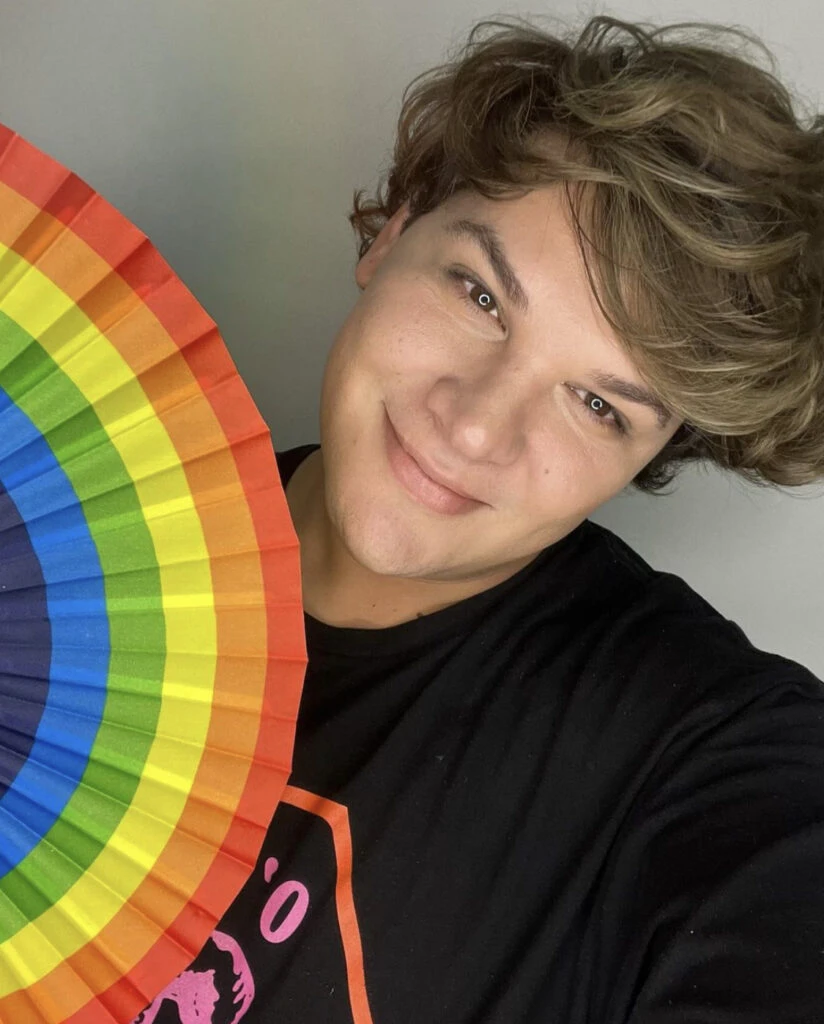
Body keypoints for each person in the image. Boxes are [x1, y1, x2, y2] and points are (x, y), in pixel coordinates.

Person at [135, 13, 824, 1023]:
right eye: (481, 295)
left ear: (652, 454)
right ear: (394, 231)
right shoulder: (79, 544)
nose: (473, 426)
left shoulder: (702, 750)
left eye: (598, 405)